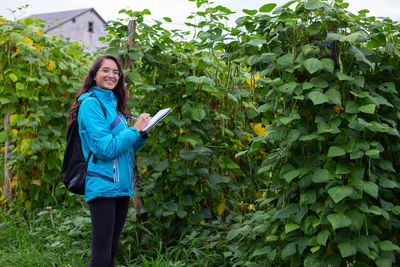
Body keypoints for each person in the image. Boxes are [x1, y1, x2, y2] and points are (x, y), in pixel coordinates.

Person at [67, 54, 150, 267]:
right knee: (101, 257)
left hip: (121, 187)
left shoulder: (115, 107)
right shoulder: (90, 105)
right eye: (105, 70)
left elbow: (125, 148)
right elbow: (105, 149)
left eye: (116, 72)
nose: (111, 75)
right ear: (94, 75)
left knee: (111, 253)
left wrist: (140, 134)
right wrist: (134, 130)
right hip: (103, 185)